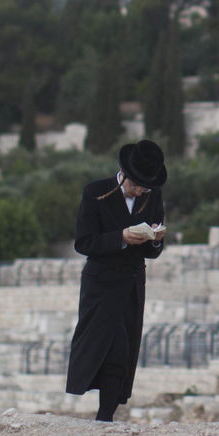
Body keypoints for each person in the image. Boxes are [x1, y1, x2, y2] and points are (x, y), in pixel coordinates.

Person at [65, 140, 167, 421]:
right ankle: (100, 412)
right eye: (137, 185)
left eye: (145, 186)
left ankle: (106, 414)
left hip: (132, 282)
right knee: (103, 345)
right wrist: (121, 238)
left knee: (123, 348)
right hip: (100, 283)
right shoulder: (95, 193)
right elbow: (84, 242)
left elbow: (152, 250)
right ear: (124, 173)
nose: (141, 191)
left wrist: (155, 240)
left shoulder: (152, 196)